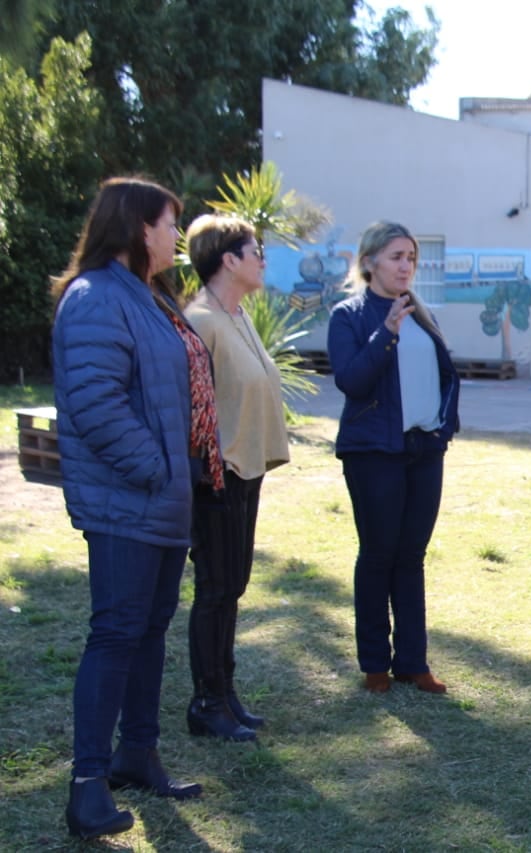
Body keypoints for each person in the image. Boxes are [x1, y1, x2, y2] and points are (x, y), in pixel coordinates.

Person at [52, 177, 207, 839]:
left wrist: (178, 475)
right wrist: (157, 467)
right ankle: (88, 786)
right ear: (140, 226)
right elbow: (95, 404)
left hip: (162, 501)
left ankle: (137, 752)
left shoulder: (146, 296)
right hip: (128, 500)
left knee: (149, 630)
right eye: (171, 222)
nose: (178, 234)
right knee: (116, 633)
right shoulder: (94, 298)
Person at [327, 221, 460, 694]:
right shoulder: (350, 316)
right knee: (379, 555)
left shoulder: (422, 314)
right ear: (369, 263)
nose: (406, 266)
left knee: (412, 557)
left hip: (424, 451)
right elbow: (352, 381)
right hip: (374, 452)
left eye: (411, 258)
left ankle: (412, 661)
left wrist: (444, 427)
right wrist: (385, 332)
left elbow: (446, 376)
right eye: (397, 257)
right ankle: (375, 665)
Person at [183, 215, 291, 740]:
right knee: (216, 587)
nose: (262, 259)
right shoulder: (201, 321)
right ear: (229, 259)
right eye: (256, 250)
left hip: (246, 470)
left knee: (233, 586)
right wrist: (210, 471)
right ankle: (206, 703)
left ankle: (225, 694)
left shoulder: (238, 315)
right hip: (217, 475)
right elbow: (193, 408)